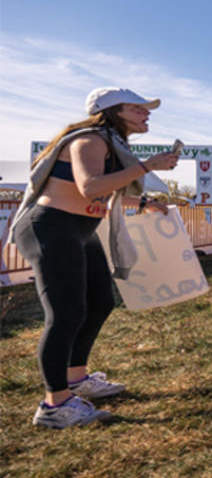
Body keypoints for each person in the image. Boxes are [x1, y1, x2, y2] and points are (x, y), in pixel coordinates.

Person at [10, 87, 180, 428]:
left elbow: (105, 193)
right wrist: (147, 166)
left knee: (100, 301)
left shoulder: (111, 142)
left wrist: (143, 203)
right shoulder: (90, 139)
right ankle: (54, 405)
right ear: (113, 110)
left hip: (78, 232)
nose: (147, 113)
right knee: (66, 313)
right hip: (51, 228)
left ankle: (76, 378)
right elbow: (90, 187)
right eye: (138, 108)